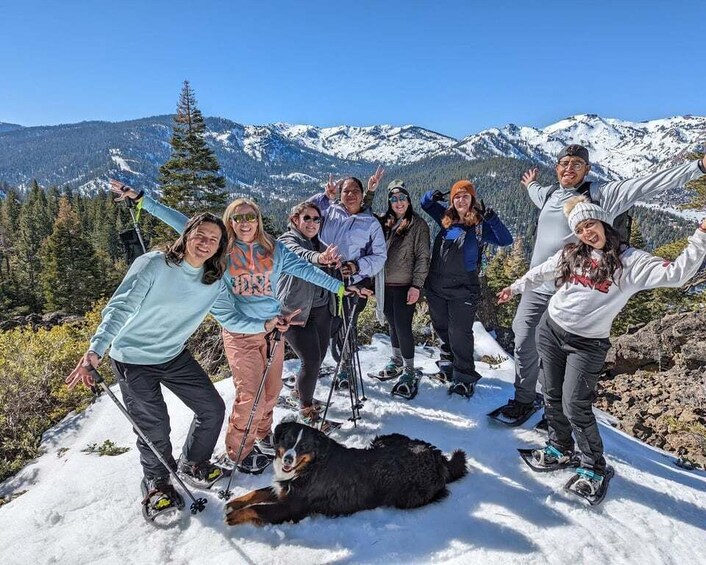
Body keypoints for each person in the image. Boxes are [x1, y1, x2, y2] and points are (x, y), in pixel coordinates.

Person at [109, 181, 346, 473]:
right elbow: (183, 224)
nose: (245, 223)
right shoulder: (223, 249)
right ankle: (238, 452)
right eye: (238, 217)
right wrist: (144, 200)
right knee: (251, 395)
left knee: (270, 393)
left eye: (251, 217)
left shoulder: (273, 248)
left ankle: (262, 436)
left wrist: (339, 287)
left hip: (274, 332)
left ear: (258, 220)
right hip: (240, 333)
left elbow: (305, 269)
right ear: (229, 222)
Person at [497, 197, 706, 496]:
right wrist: (514, 288)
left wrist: (701, 234)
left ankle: (593, 465)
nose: (587, 232)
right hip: (551, 329)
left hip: (588, 344)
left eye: (590, 224)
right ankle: (559, 447)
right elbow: (541, 271)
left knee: (575, 404)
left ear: (603, 222)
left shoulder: (630, 262)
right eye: (580, 228)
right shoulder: (572, 254)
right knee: (552, 394)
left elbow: (677, 274)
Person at [503, 145, 706, 422]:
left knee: (562, 355)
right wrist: (531, 184)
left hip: (573, 289)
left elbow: (646, 185)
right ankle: (524, 399)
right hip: (538, 286)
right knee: (524, 340)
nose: (569, 168)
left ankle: (557, 414)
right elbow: (536, 192)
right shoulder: (550, 194)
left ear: (587, 169)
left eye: (577, 164)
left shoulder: (601, 194)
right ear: (556, 167)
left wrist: (699, 167)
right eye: (564, 163)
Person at [65, 212, 240, 515]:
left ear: (220, 246)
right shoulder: (155, 264)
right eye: (201, 235)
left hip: (173, 354)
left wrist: (269, 322)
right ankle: (157, 483)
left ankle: (194, 463)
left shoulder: (214, 280)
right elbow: (121, 306)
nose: (206, 243)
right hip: (132, 359)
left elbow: (232, 316)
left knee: (211, 408)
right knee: (154, 426)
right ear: (186, 234)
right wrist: (96, 349)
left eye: (214, 239)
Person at [421, 180, 513, 397]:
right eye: (457, 197)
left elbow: (505, 239)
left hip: (464, 287)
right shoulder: (446, 219)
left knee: (460, 332)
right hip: (436, 285)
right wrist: (431, 195)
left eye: (465, 196)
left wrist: (494, 219)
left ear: (472, 200)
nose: (461, 200)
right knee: (442, 328)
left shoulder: (481, 226)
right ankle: (447, 367)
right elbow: (425, 204)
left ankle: (464, 377)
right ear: (452, 201)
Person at [308, 170, 387, 389]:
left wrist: (356, 266)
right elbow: (301, 216)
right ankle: (314, 364)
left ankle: (344, 366)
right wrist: (325, 197)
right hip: (322, 279)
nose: (350, 195)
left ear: (363, 195)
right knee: (322, 325)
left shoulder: (370, 223)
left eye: (355, 191)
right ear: (340, 194)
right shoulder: (328, 212)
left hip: (352, 283)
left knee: (345, 325)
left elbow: (380, 256)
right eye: (346, 191)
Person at [277, 201, 343, 429]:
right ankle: (306, 410)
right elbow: (298, 255)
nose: (313, 223)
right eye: (307, 218)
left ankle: (299, 392)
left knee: (319, 355)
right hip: (294, 311)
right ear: (295, 220)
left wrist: (333, 263)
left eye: (317, 219)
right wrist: (320, 258)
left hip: (321, 308)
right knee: (311, 360)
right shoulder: (287, 241)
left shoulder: (318, 242)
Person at [364, 178, 430, 399]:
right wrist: (370, 191)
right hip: (385, 284)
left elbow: (422, 257)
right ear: (390, 202)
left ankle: (409, 369)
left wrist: (416, 285)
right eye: (394, 199)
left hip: (405, 285)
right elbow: (364, 212)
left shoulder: (417, 224)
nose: (399, 202)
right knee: (392, 323)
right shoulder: (385, 222)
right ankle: (397, 359)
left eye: (402, 198)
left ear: (409, 201)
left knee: (402, 326)